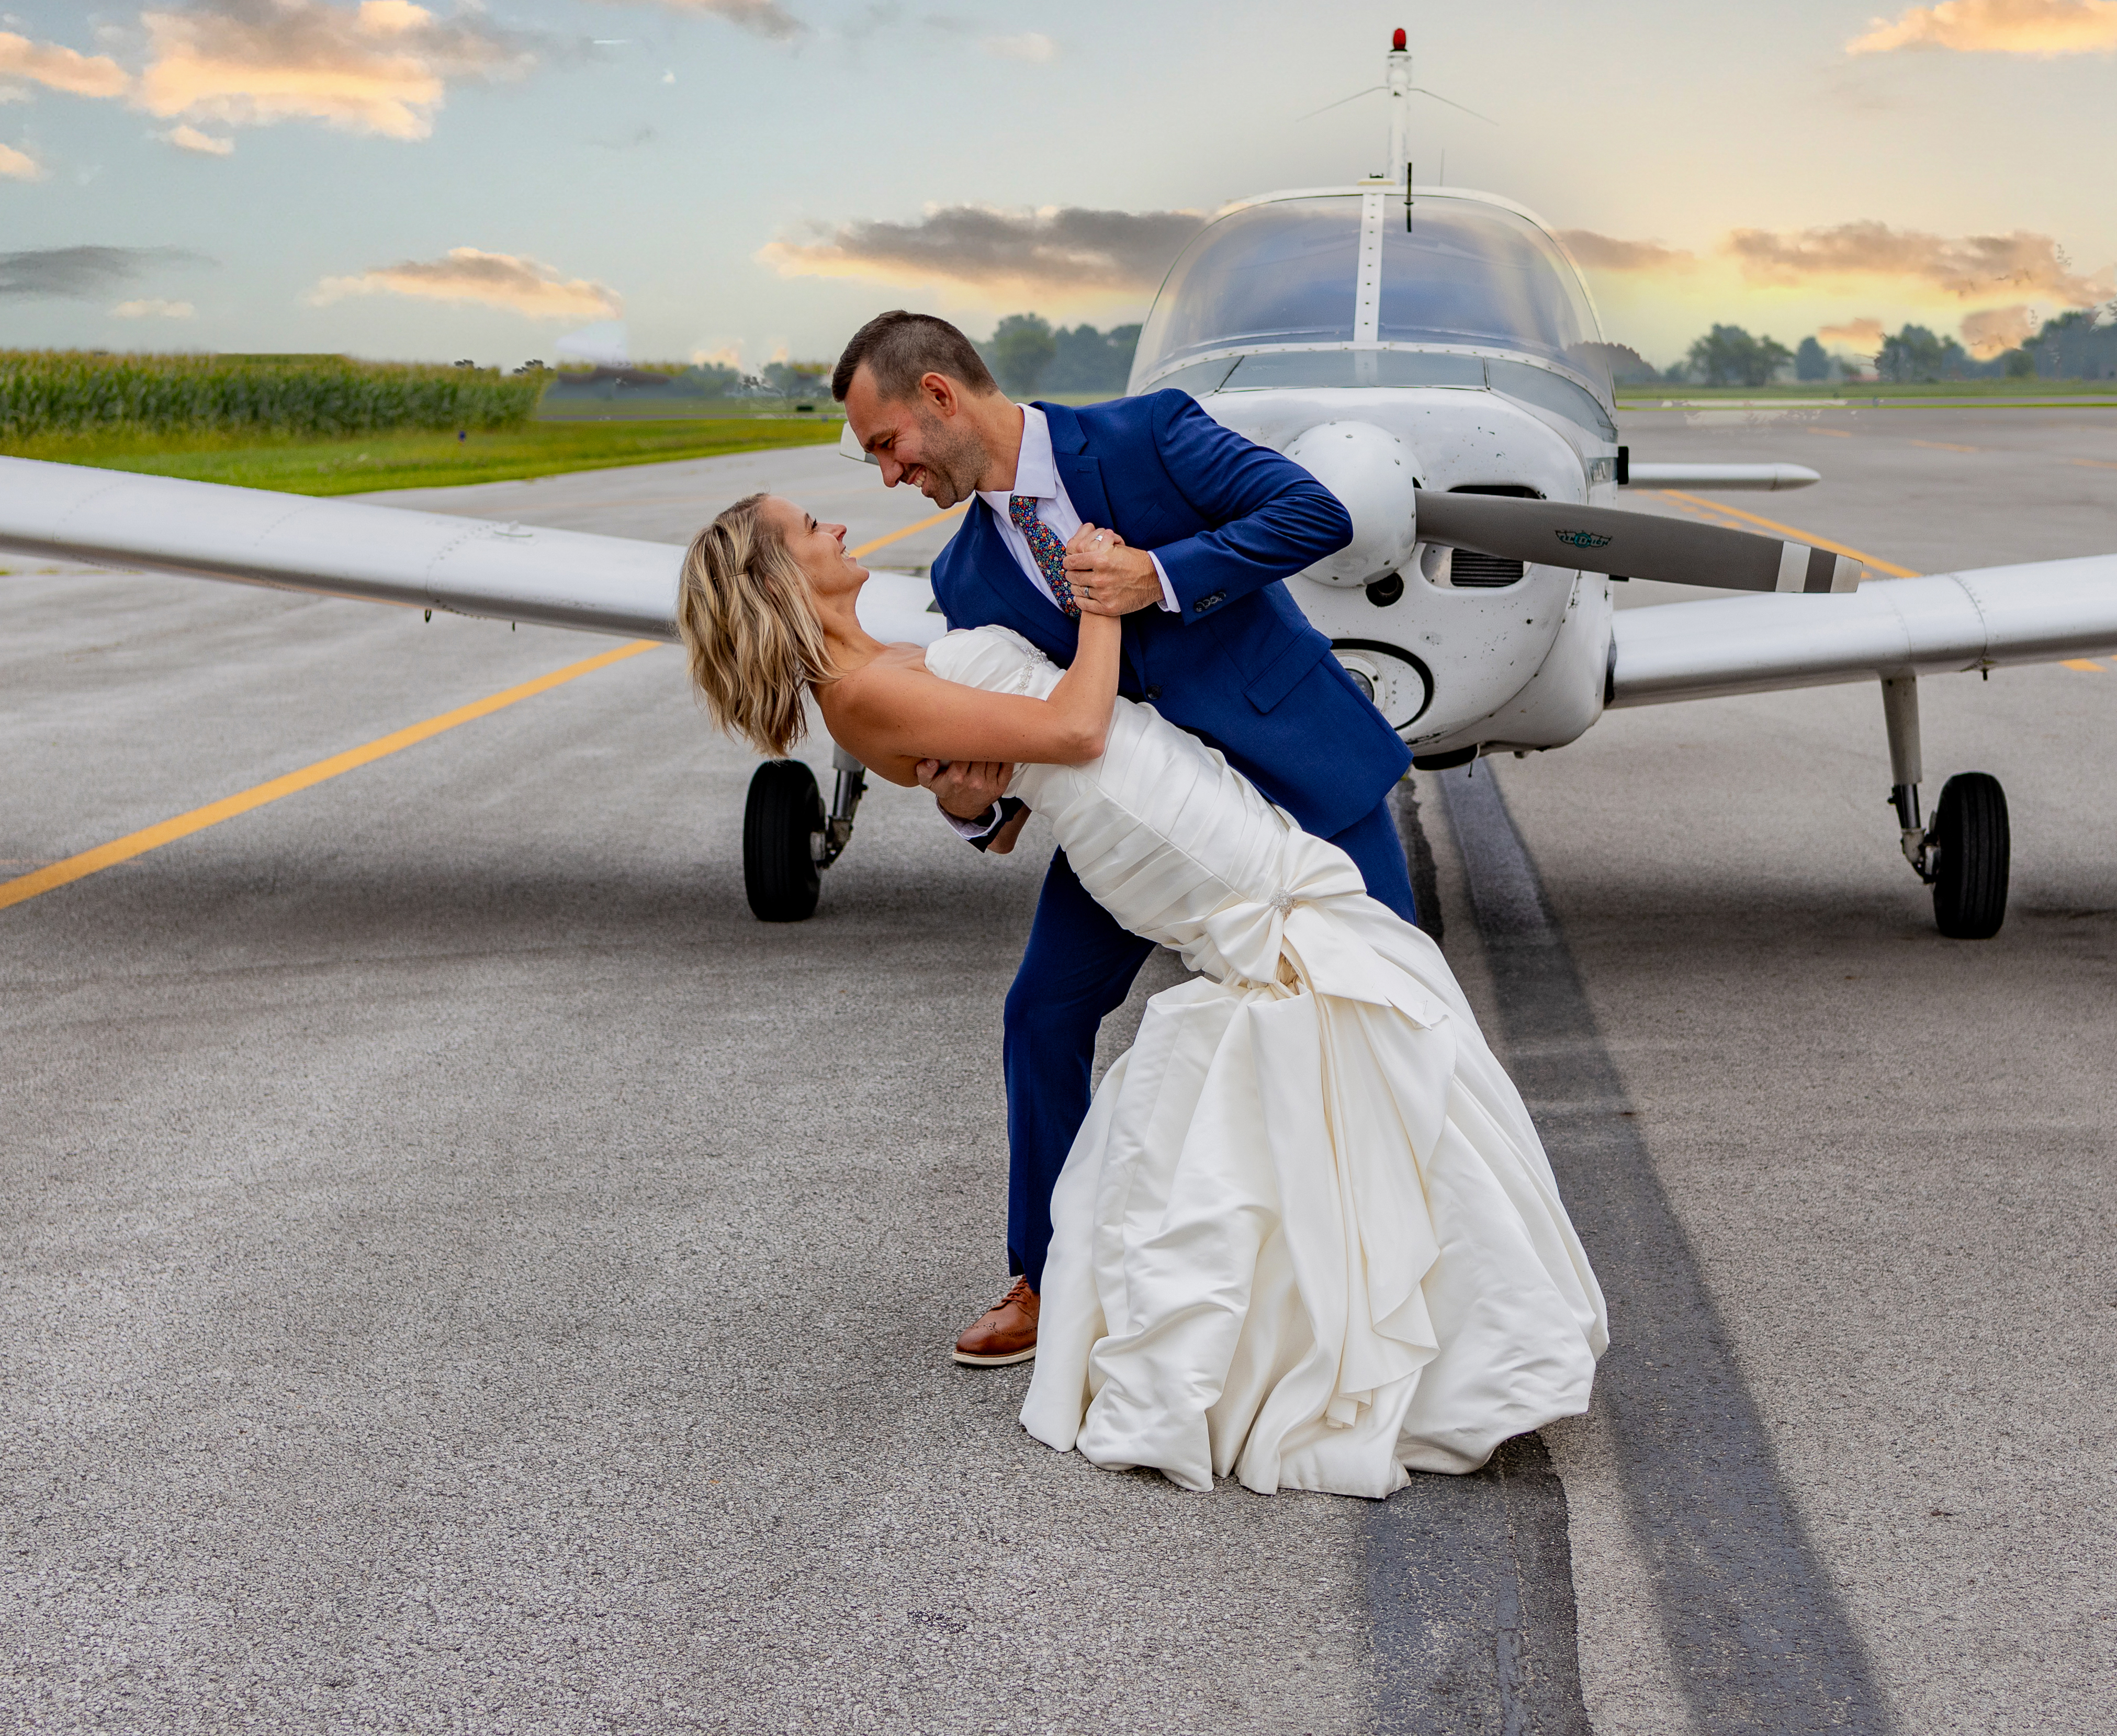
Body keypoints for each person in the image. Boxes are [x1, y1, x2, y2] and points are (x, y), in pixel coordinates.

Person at [675, 494, 1605, 1496]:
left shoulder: (884, 653)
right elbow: (1073, 732)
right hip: (1147, 826)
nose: (843, 523)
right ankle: (1402, 1319)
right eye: (812, 529)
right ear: (779, 578)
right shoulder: (856, 693)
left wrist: (972, 783)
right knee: (1327, 976)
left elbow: (997, 757)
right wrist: (1103, 604)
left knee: (1339, 992)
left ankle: (1376, 1294)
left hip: (1165, 787)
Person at [829, 312, 1417, 1370]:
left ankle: (1412, 1264)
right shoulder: (964, 582)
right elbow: (1003, 803)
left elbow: (1311, 512)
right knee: (1040, 1012)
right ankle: (1048, 1277)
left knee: (1397, 1011)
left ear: (937, 396)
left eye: (885, 444)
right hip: (1143, 822)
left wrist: (1161, 574)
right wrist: (968, 807)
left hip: (1298, 773)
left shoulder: (1147, 433)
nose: (887, 475)